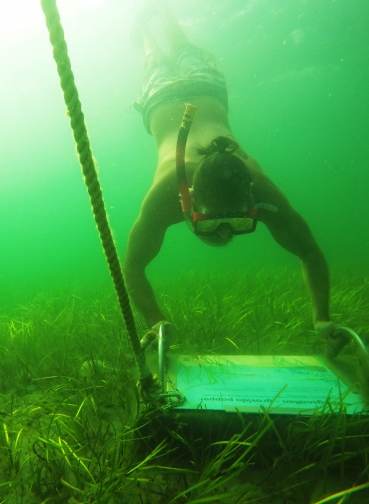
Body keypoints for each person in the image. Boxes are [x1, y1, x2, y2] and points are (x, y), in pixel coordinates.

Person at [123, 1, 348, 357]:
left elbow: (134, 266)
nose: (226, 233)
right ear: (190, 197)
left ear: (250, 200)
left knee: (169, 55)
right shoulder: (169, 191)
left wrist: (323, 318)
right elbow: (132, 268)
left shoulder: (256, 186)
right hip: (173, 96)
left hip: (190, 92)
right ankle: (150, 28)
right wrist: (156, 321)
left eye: (238, 222)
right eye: (217, 223)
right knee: (162, 57)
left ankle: (158, 19)